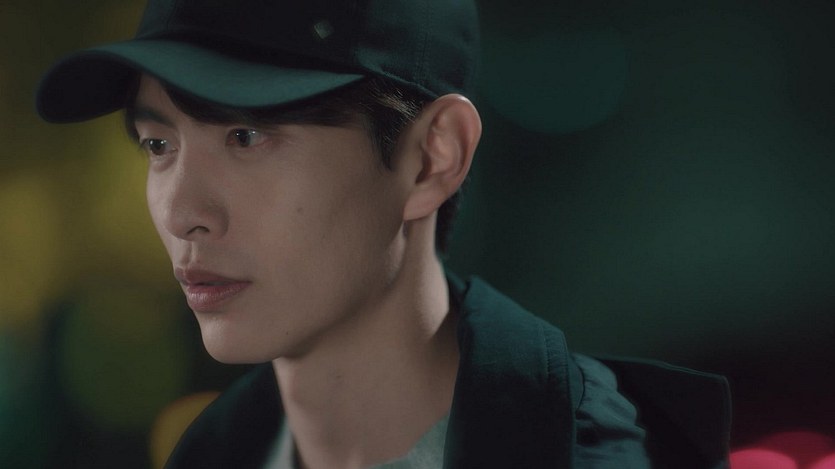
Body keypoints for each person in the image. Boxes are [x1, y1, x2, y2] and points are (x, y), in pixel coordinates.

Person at [36, 0, 732, 467]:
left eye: (246, 136)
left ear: (433, 157)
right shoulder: (214, 452)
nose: (181, 212)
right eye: (158, 145)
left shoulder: (607, 452)